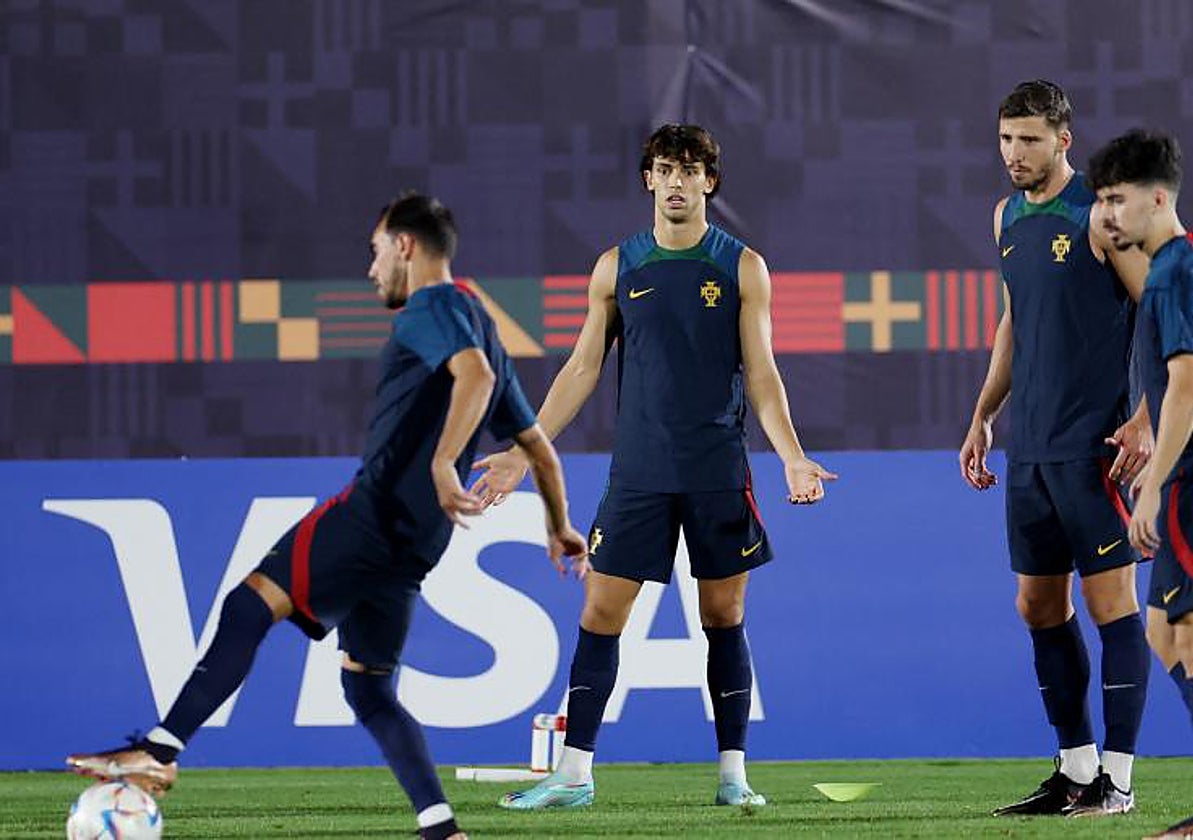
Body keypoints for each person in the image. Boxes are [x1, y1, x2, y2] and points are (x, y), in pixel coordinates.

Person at [66, 193, 589, 840]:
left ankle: (159, 750)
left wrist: (442, 461)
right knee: (369, 690)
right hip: (415, 546)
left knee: (248, 606)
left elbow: (474, 378)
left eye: (375, 251)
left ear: (405, 246)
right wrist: (558, 524)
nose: (371, 269)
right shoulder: (480, 319)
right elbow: (537, 445)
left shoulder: (433, 306)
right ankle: (442, 831)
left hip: (370, 517)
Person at [472, 123, 835, 810]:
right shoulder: (617, 266)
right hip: (639, 473)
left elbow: (762, 373)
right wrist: (525, 451)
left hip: (717, 470)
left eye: (690, 170)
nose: (676, 181)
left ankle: (733, 777)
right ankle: (573, 775)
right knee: (600, 611)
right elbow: (582, 368)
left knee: (723, 614)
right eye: (665, 169)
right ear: (649, 179)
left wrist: (792, 456)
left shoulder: (742, 268)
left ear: (709, 182)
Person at [958, 80, 1154, 818]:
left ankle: (1118, 782)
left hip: (1095, 447)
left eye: (1030, 140)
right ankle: (1074, 770)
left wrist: (1146, 418)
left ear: (1063, 141)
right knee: (1038, 605)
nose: (1014, 153)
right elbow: (1014, 321)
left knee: (1111, 606)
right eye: (1006, 138)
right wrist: (983, 414)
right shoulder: (1006, 216)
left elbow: (1164, 312)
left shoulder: (1103, 215)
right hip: (1030, 450)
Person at [1089, 128, 1193, 840]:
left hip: (1191, 481)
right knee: (1164, 630)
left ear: (1159, 199)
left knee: (1190, 634)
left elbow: (1188, 385)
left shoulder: (1174, 274)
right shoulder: (1175, 266)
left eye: (1118, 199)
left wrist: (1155, 484)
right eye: (1101, 200)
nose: (1107, 214)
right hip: (1184, 474)